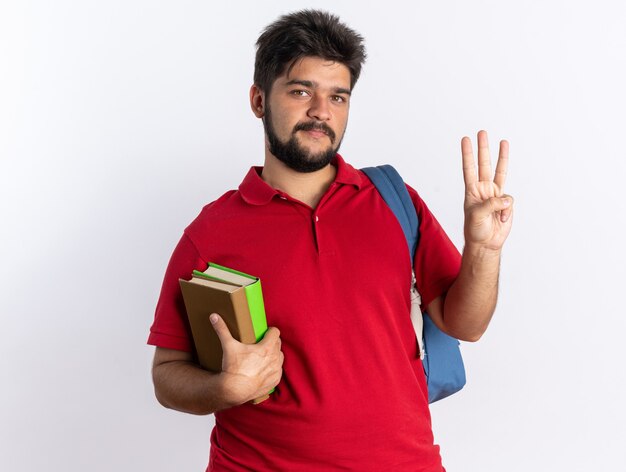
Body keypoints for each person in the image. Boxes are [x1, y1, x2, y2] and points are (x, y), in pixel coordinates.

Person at [148, 9, 513, 472]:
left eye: (337, 97)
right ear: (259, 100)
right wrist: (224, 389)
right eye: (301, 91)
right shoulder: (212, 232)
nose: (321, 111)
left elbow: (467, 325)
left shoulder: (394, 200)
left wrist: (484, 249)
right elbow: (166, 376)